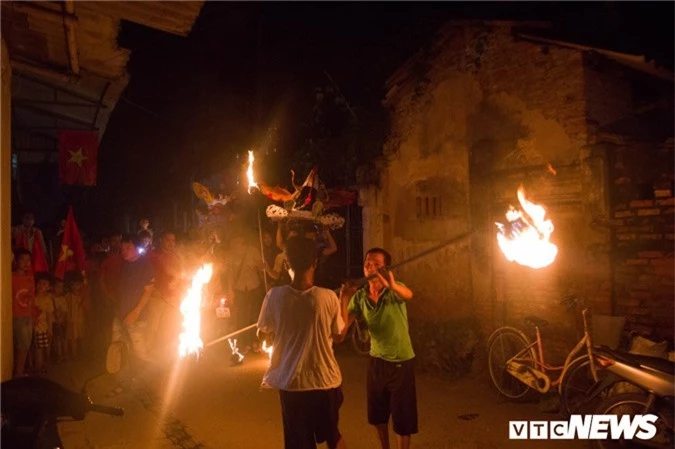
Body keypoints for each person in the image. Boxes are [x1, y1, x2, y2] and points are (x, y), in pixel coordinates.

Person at [257, 236, 347, 449]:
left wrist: (271, 328)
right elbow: (339, 335)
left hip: (292, 384)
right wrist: (345, 299)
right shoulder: (328, 297)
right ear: (315, 263)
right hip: (325, 382)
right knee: (333, 436)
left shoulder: (274, 296)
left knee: (299, 443)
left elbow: (262, 334)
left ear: (287, 263)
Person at [339, 248, 417, 449]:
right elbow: (341, 332)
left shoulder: (394, 290)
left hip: (401, 361)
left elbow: (409, 295)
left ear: (386, 268)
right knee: (378, 417)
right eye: (367, 263)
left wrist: (391, 285)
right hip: (377, 362)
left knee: (402, 419)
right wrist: (344, 297)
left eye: (376, 264)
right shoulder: (361, 296)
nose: (370, 266)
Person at [12, 249, 35, 377]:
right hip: (17, 315)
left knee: (26, 346)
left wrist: (33, 317)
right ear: (16, 261)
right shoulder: (10, 277)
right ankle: (18, 374)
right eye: (22, 260)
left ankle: (20, 372)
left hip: (27, 316)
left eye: (28, 260)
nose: (26, 263)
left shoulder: (30, 278)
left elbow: (31, 298)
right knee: (20, 347)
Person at [33, 272, 54, 374]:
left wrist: (50, 329)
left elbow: (49, 316)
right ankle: (38, 367)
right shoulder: (33, 298)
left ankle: (42, 365)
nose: (41, 286)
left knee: (44, 348)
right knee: (36, 348)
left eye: (44, 284)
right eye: (39, 283)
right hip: (33, 327)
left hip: (43, 328)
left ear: (49, 287)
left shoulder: (48, 299)